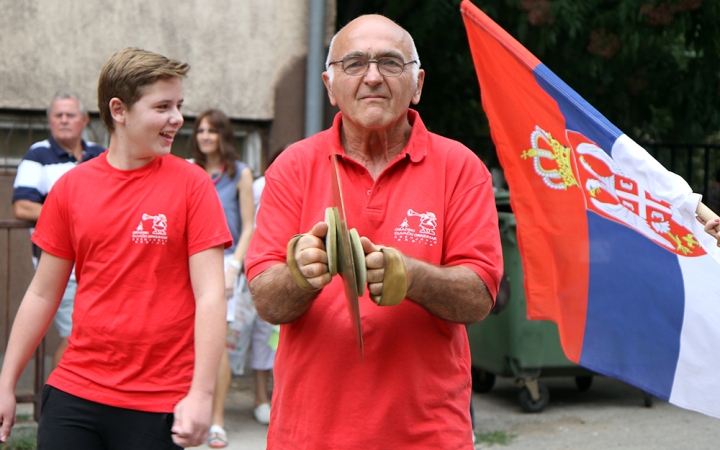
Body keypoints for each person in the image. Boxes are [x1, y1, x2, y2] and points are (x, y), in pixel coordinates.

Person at [245, 14, 503, 449]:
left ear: (418, 83)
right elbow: (266, 301)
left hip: (426, 435)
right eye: (354, 63)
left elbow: (480, 296)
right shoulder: (292, 166)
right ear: (329, 86)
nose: (372, 77)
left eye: (390, 62)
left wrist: (412, 276)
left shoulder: (461, 168)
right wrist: (302, 274)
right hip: (308, 434)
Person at [0, 48, 232, 449]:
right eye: (162, 106)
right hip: (76, 391)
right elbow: (42, 292)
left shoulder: (193, 184)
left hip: (159, 401)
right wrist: (5, 383)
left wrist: (202, 395)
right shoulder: (71, 188)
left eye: (178, 105)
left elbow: (210, 295)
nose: (177, 118)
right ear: (119, 111)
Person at [11, 92, 105, 369]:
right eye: (58, 115)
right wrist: (76, 217)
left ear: (85, 120)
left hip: (100, 262)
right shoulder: (38, 154)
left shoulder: (99, 154)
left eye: (70, 115)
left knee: (93, 337)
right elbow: (23, 207)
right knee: (75, 335)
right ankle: (56, 402)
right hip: (61, 265)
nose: (64, 121)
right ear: (49, 120)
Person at [190, 109, 263, 448]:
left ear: (223, 135)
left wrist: (235, 265)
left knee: (215, 342)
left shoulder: (241, 174)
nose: (205, 136)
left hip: (224, 264)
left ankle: (216, 420)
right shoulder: (189, 171)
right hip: (189, 263)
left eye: (212, 131)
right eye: (201, 130)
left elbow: (249, 226)